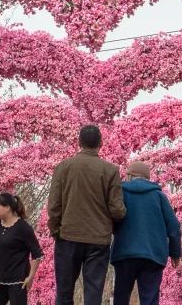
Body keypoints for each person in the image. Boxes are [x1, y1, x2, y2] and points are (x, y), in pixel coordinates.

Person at [48, 124, 126, 305]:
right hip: (98, 239)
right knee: (93, 292)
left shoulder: (63, 167)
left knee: (64, 291)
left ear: (78, 142)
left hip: (68, 236)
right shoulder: (110, 170)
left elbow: (54, 206)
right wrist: (112, 224)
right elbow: (117, 209)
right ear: (101, 143)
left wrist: (56, 230)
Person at [111, 160, 182, 305]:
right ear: (148, 178)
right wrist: (175, 253)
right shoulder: (159, 196)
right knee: (149, 300)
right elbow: (174, 227)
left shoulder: (120, 194)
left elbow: (111, 219)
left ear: (129, 176)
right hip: (153, 256)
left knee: (120, 298)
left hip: (125, 253)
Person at [0, 192, 44, 305]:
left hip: (18, 282)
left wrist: (30, 277)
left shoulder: (23, 228)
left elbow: (37, 254)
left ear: (7, 208)